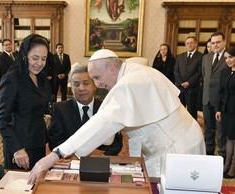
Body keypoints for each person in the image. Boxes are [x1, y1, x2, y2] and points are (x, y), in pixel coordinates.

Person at [28, 49, 205, 184]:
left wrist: (55, 155)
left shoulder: (131, 82)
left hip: (177, 147)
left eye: (97, 77)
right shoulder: (134, 72)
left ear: (111, 67)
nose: (97, 84)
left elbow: (103, 121)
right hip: (172, 143)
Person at [0, 34, 52, 170]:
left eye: (44, 59)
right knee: (20, 187)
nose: (39, 63)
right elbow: (2, 120)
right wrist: (17, 149)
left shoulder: (42, 78)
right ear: (24, 55)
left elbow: (46, 108)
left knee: (36, 186)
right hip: (20, 146)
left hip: (38, 142)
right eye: (35, 58)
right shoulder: (11, 79)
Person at [48, 63, 122, 155]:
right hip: (71, 162)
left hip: (100, 161)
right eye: (76, 84)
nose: (81, 88)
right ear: (71, 88)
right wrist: (81, 154)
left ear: (95, 86)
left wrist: (101, 154)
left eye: (86, 83)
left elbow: (117, 142)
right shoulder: (60, 109)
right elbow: (54, 141)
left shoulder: (106, 107)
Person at [202, 32, 228, 157]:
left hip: (221, 101)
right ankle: (209, 154)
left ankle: (222, 156)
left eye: (218, 42)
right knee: (208, 129)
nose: (215, 45)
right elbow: (205, 76)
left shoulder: (229, 58)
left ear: (224, 42)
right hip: (207, 99)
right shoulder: (206, 57)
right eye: (213, 43)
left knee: (221, 131)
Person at [215, 46, 235, 178]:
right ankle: (227, 164)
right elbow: (221, 92)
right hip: (227, 110)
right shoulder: (225, 72)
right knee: (229, 137)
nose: (228, 60)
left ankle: (233, 167)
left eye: (231, 57)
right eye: (226, 57)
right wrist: (218, 109)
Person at [174, 36, 203, 120]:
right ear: (185, 45)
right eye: (187, 43)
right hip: (180, 88)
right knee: (180, 111)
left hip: (192, 88)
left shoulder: (201, 56)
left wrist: (188, 82)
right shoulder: (180, 56)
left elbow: (199, 72)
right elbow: (176, 71)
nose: (189, 45)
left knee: (191, 112)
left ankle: (192, 130)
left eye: (191, 43)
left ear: (196, 44)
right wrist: (180, 83)